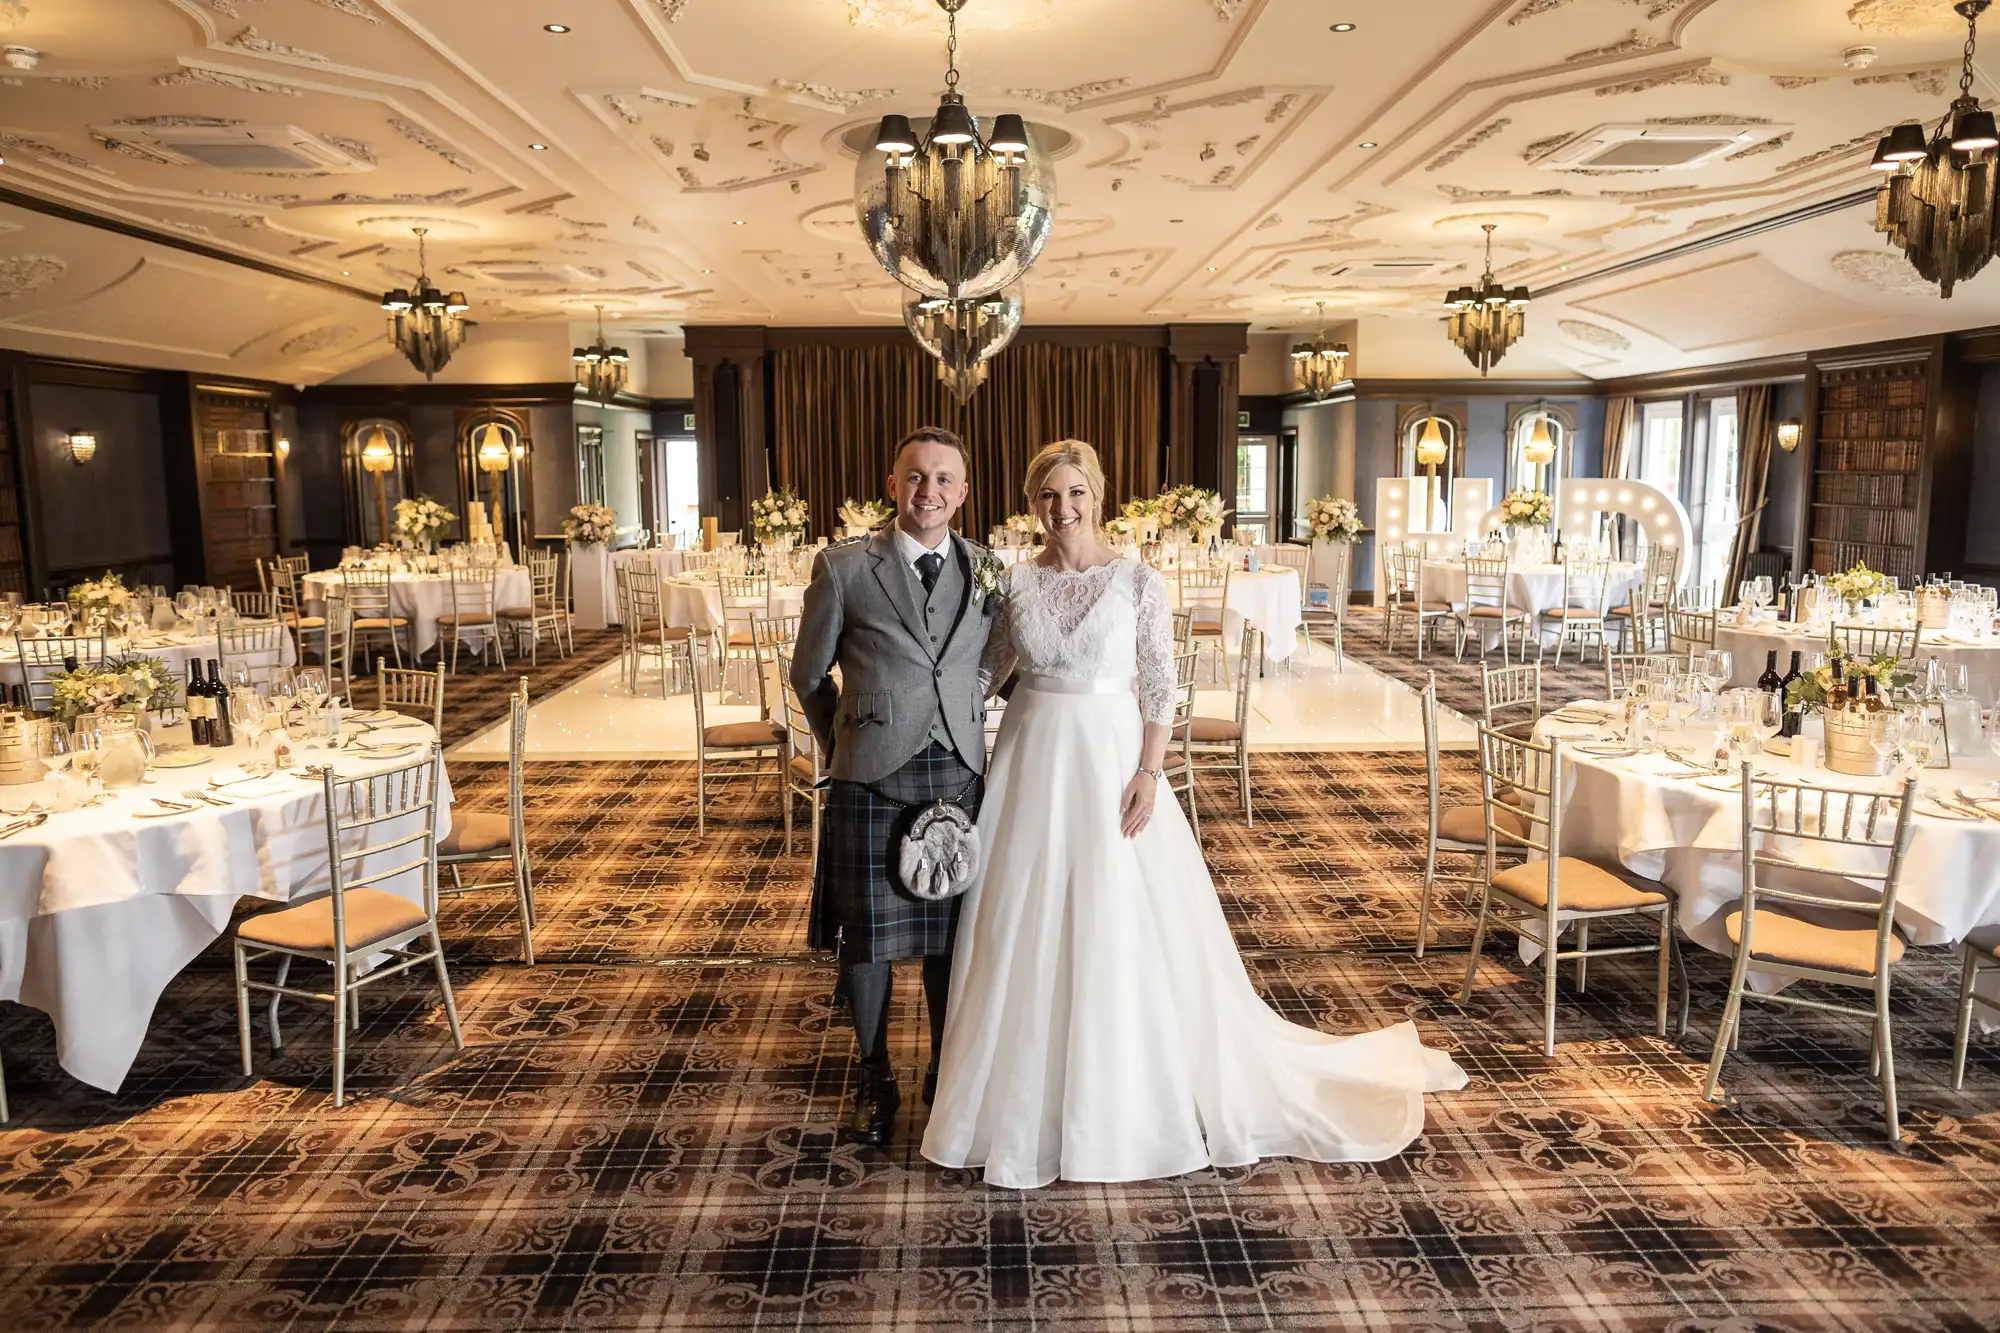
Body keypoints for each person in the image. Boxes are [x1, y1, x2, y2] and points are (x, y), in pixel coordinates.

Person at [921, 440, 1467, 1189]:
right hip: (1030, 764)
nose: (1063, 508)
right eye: (1049, 495)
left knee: (1117, 918)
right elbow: (989, 669)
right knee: (1026, 918)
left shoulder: (1139, 580)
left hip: (1112, 761)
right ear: (1031, 502)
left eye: (1075, 492)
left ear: (1098, 495)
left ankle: (1119, 1096)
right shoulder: (1013, 583)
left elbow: (1158, 686)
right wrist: (926, 700)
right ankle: (1018, 1099)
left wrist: (1151, 771)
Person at [790, 426, 997, 1146]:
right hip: (868, 774)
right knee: (870, 941)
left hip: (959, 771)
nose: (929, 490)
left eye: (944, 479)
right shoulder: (845, 566)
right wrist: (843, 741)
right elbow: (808, 676)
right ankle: (875, 1069)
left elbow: (992, 660)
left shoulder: (988, 568)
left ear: (963, 492)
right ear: (892, 483)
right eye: (915, 476)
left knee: (951, 938)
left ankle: (945, 1069)